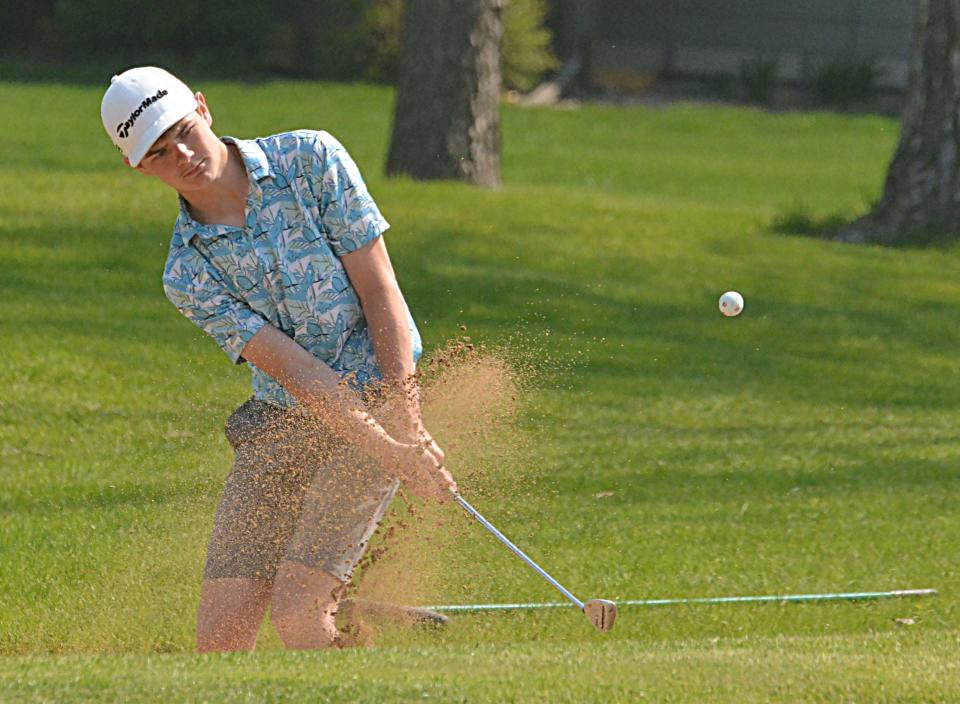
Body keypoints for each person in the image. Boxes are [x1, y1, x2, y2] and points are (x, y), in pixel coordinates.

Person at [100, 66, 457, 652]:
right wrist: (391, 451)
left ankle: (337, 611)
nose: (184, 155)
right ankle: (352, 604)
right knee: (220, 638)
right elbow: (298, 372)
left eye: (184, 130)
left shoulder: (311, 159)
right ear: (136, 167)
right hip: (282, 421)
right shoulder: (186, 273)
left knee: (298, 616)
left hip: (380, 394)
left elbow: (380, 291)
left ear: (203, 106)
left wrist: (406, 426)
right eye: (160, 153)